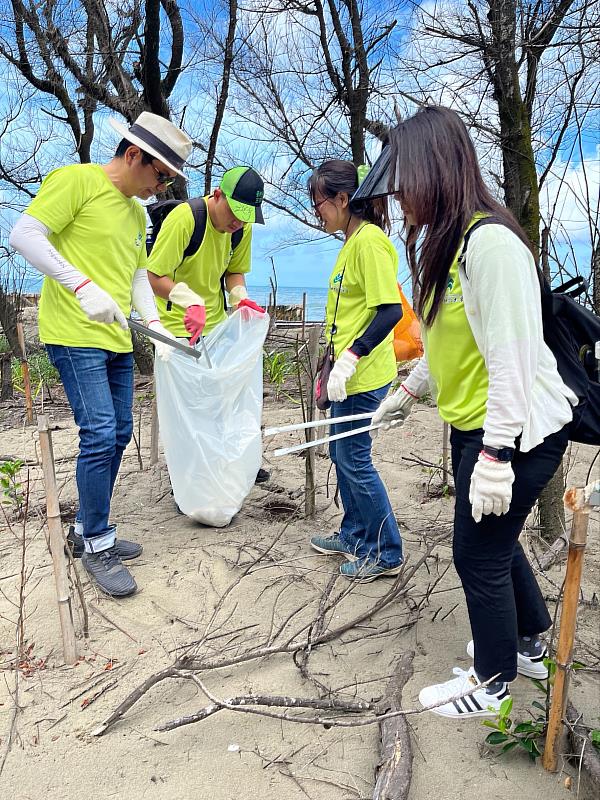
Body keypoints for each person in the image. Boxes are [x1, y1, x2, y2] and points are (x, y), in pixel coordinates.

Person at [361, 106, 577, 717]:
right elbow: (442, 342)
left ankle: (492, 683)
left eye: (407, 189)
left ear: (436, 171)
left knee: (476, 552)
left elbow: (511, 362)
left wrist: (496, 455)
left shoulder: (492, 245)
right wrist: (405, 395)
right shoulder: (446, 246)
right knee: (498, 542)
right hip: (471, 427)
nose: (402, 203)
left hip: (517, 431)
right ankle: (529, 643)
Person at [9, 111, 193, 598]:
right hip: (73, 330)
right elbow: (24, 235)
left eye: (169, 180)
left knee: (120, 433)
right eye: (160, 175)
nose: (161, 187)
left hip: (116, 337)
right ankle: (96, 541)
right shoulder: (77, 182)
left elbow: (136, 276)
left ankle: (89, 527)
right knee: (98, 433)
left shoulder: (136, 213)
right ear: (133, 155)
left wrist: (154, 326)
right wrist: (81, 284)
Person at [307, 159, 404, 582]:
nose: (317, 212)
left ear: (344, 199)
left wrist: (352, 357)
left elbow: (389, 312)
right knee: (340, 455)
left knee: (355, 459)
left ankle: (385, 551)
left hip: (362, 376)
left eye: (320, 202)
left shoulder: (371, 243)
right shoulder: (350, 242)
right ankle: (355, 533)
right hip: (344, 377)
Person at [146, 166, 270, 486]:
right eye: (235, 213)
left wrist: (240, 297)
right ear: (217, 194)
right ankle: (187, 481)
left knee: (221, 398)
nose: (238, 222)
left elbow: (234, 272)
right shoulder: (186, 219)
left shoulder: (241, 228)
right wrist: (189, 301)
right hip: (174, 328)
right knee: (187, 408)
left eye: (246, 216)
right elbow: (154, 275)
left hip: (215, 325)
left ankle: (230, 464)